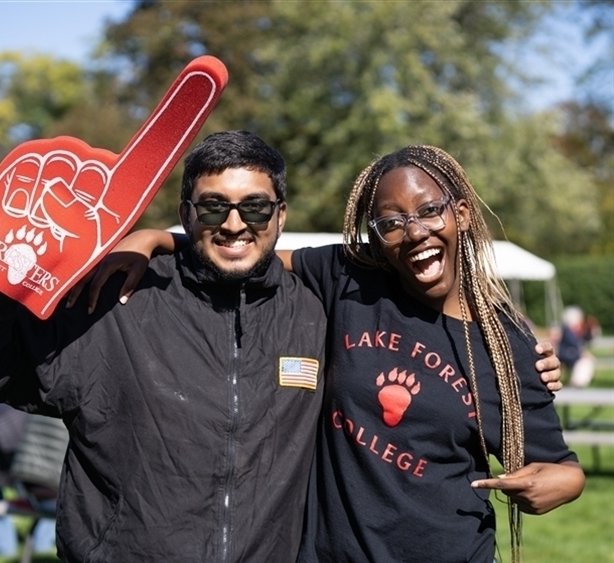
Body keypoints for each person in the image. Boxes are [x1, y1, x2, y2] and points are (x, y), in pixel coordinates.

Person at [80, 143, 581, 563]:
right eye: (391, 222)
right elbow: (247, 249)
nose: (415, 232)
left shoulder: (506, 343)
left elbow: (559, 464)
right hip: (328, 552)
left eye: (430, 211)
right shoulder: (349, 279)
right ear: (375, 236)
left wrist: (566, 484)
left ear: (462, 213)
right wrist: (153, 238)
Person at [0, 131, 328, 563]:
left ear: (280, 215)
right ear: (187, 214)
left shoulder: (314, 312)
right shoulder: (115, 298)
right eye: (214, 207)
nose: (234, 224)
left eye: (255, 207)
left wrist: (160, 237)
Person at [0, 402, 56, 557]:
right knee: (49, 491)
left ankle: (5, 547)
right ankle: (41, 545)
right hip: (38, 462)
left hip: (1, 454)